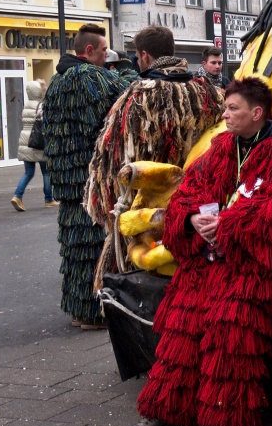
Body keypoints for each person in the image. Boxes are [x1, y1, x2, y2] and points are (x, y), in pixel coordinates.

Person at [124, 77, 272, 426]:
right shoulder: (221, 149)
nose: (225, 115)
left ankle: (228, 415)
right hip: (212, 257)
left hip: (262, 264)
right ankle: (168, 408)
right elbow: (187, 193)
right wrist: (192, 221)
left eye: (232, 109)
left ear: (257, 113)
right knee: (183, 313)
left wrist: (231, 226)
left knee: (231, 315)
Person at [85, 26, 225, 277]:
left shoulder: (138, 98)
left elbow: (114, 161)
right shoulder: (211, 95)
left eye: (138, 58)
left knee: (145, 270)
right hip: (197, 203)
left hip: (148, 208)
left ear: (145, 56)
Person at [44, 23, 128, 329]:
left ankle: (81, 310)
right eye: (104, 50)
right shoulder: (92, 77)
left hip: (67, 181)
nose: (108, 56)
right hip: (93, 180)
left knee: (74, 246)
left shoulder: (56, 81)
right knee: (95, 244)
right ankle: (96, 312)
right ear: (89, 51)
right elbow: (124, 100)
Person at [10, 79, 57, 212]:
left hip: (26, 141)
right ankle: (49, 199)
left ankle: (17, 196)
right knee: (46, 172)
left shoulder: (26, 106)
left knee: (28, 173)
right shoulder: (41, 105)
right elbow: (46, 123)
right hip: (38, 142)